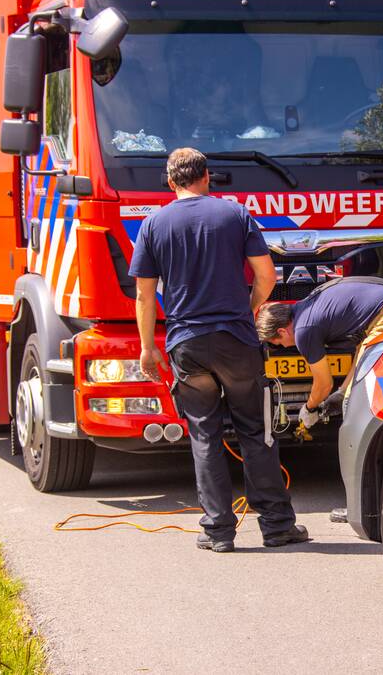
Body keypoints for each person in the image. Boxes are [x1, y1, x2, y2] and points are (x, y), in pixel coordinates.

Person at [130, 147, 308, 553]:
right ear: (206, 177)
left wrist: (147, 349)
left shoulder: (153, 224)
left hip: (187, 344)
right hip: (235, 341)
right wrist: (246, 311)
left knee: (204, 434)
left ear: (171, 182)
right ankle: (277, 526)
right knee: (255, 430)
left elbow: (143, 295)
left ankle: (218, 531)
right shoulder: (234, 214)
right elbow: (266, 274)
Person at [255, 277, 383, 431]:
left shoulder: (303, 331)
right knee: (353, 391)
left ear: (282, 331)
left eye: (277, 343)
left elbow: (323, 384)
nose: (283, 346)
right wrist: (342, 391)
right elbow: (361, 352)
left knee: (360, 399)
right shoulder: (307, 309)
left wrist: (309, 409)